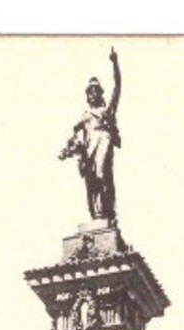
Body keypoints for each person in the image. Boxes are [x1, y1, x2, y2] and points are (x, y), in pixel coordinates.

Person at [59, 48, 122, 224]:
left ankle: (108, 214)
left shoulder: (106, 111)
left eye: (96, 90)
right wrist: (71, 149)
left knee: (102, 174)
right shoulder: (84, 117)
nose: (93, 93)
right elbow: (77, 137)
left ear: (100, 93)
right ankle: (98, 216)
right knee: (91, 181)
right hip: (89, 148)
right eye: (90, 91)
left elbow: (117, 87)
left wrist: (115, 63)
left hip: (104, 140)